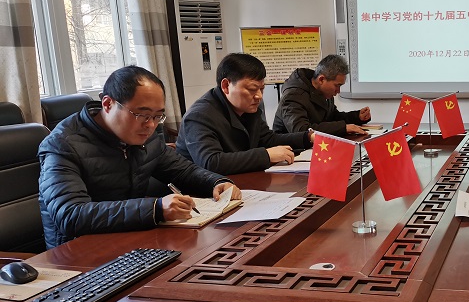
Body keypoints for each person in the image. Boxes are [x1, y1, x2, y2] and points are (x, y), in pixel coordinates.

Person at [38, 66, 241, 248]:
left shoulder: (144, 136)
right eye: (142, 115)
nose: (150, 125)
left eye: (157, 116)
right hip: (77, 253)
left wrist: (216, 182)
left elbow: (182, 170)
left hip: (130, 238)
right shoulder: (62, 145)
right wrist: (155, 209)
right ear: (108, 104)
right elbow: (71, 215)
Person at [176, 53, 313, 174]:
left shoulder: (247, 108)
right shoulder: (199, 116)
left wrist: (308, 138)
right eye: (252, 89)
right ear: (226, 86)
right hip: (202, 190)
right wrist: (266, 155)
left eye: (262, 89)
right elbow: (211, 162)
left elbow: (268, 139)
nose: (259, 96)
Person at [273, 54, 371, 137]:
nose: (338, 91)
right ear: (321, 80)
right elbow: (301, 130)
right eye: (337, 85)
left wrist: (357, 117)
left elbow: (333, 117)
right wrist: (343, 128)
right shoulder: (293, 96)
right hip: (291, 150)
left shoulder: (324, 92)